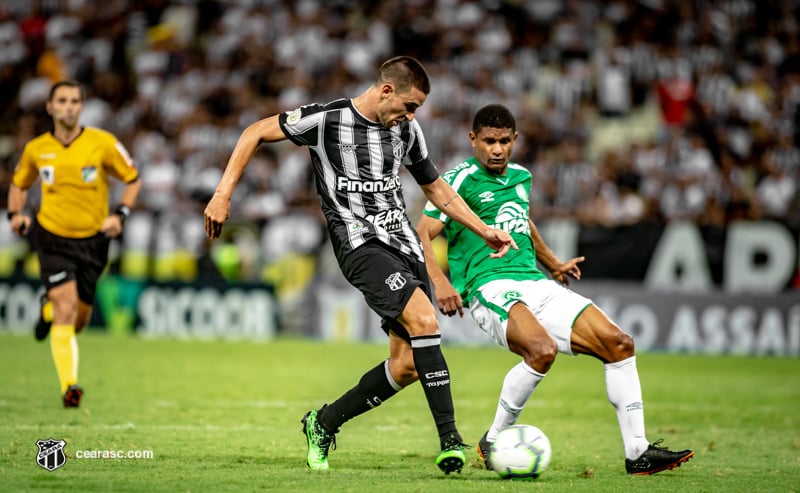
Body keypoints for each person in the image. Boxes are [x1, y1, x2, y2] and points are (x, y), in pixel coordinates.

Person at [203, 57, 517, 474]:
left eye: (416, 110)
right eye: (410, 106)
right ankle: (450, 440)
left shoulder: (407, 130)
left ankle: (323, 422)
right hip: (359, 245)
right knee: (426, 321)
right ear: (387, 90)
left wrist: (484, 230)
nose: (412, 115)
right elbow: (255, 131)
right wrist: (223, 194)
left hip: (402, 244)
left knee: (406, 365)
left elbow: (437, 189)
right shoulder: (325, 120)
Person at [416, 104, 694, 475]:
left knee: (620, 344)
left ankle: (637, 451)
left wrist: (553, 262)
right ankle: (494, 439)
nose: (496, 149)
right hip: (488, 286)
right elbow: (422, 231)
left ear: (515, 140)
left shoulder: (521, 177)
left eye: (503, 141)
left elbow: (522, 221)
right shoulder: (458, 178)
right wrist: (440, 282)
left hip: (534, 281)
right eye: (488, 141)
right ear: (473, 140)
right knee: (541, 350)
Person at [7, 80, 141, 408]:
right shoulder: (37, 149)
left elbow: (133, 180)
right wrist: (16, 213)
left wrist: (119, 215)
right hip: (51, 236)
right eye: (62, 100)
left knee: (77, 321)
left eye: (75, 101)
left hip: (93, 241)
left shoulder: (103, 143)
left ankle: (47, 309)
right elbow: (19, 183)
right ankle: (70, 387)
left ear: (81, 107)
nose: (69, 106)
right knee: (67, 310)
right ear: (50, 107)